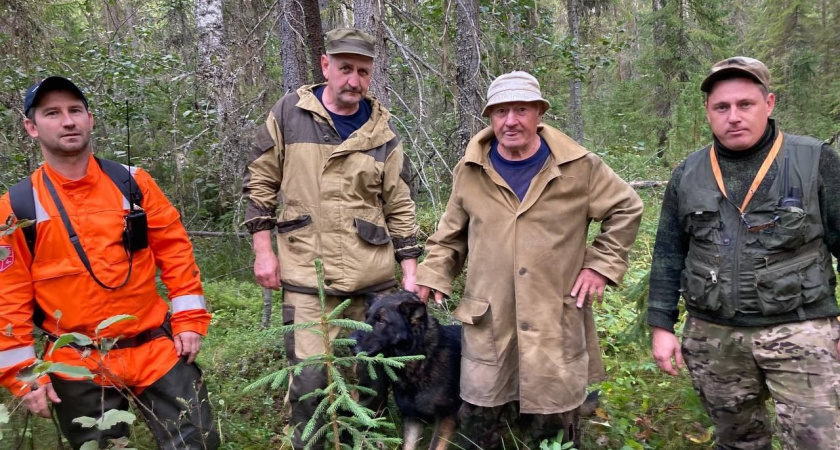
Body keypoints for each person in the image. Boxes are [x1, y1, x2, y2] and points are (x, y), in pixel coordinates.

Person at [415, 71, 643, 448]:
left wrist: (600, 264)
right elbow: (450, 235)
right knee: (478, 422)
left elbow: (626, 208)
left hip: (553, 313)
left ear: (539, 113)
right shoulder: (471, 170)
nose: (510, 121)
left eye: (521, 109)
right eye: (501, 111)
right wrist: (434, 273)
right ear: (490, 116)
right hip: (490, 314)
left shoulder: (579, 167)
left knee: (552, 424)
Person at [0, 76, 218, 449]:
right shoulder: (17, 207)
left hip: (156, 348)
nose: (68, 121)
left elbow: (176, 251)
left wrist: (189, 321)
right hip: (76, 360)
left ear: (90, 119)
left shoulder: (132, 184)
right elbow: (9, 296)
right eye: (52, 113)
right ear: (31, 127)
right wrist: (24, 375)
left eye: (75, 111)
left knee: (199, 440)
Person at [242, 28, 421, 449]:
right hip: (307, 272)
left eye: (362, 71)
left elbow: (400, 204)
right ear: (326, 66)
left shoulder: (383, 132)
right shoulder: (289, 114)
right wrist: (263, 252)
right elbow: (260, 183)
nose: (353, 80)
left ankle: (365, 442)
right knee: (310, 379)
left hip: (372, 279)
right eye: (345, 69)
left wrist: (410, 274)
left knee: (372, 379)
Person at [648, 56, 840, 449]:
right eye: (722, 107)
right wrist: (661, 326)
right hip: (714, 336)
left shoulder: (815, 160)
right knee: (737, 442)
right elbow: (669, 253)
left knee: (819, 442)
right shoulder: (688, 172)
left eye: (745, 105)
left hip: (801, 331)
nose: (733, 116)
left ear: (768, 104)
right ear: (707, 112)